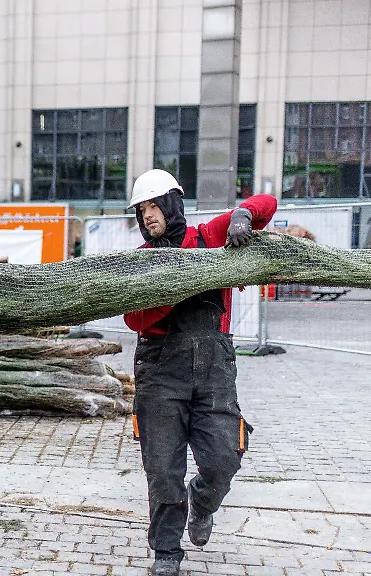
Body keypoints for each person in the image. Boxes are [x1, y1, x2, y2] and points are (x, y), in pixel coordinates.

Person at [123, 170, 278, 576]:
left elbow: (267, 204)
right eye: (141, 210)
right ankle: (167, 552)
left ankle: (203, 501)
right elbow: (134, 320)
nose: (148, 216)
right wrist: (172, 290)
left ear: (173, 204)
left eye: (154, 206)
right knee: (163, 469)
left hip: (214, 371)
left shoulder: (208, 238)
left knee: (226, 455)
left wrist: (243, 215)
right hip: (160, 371)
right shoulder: (141, 260)